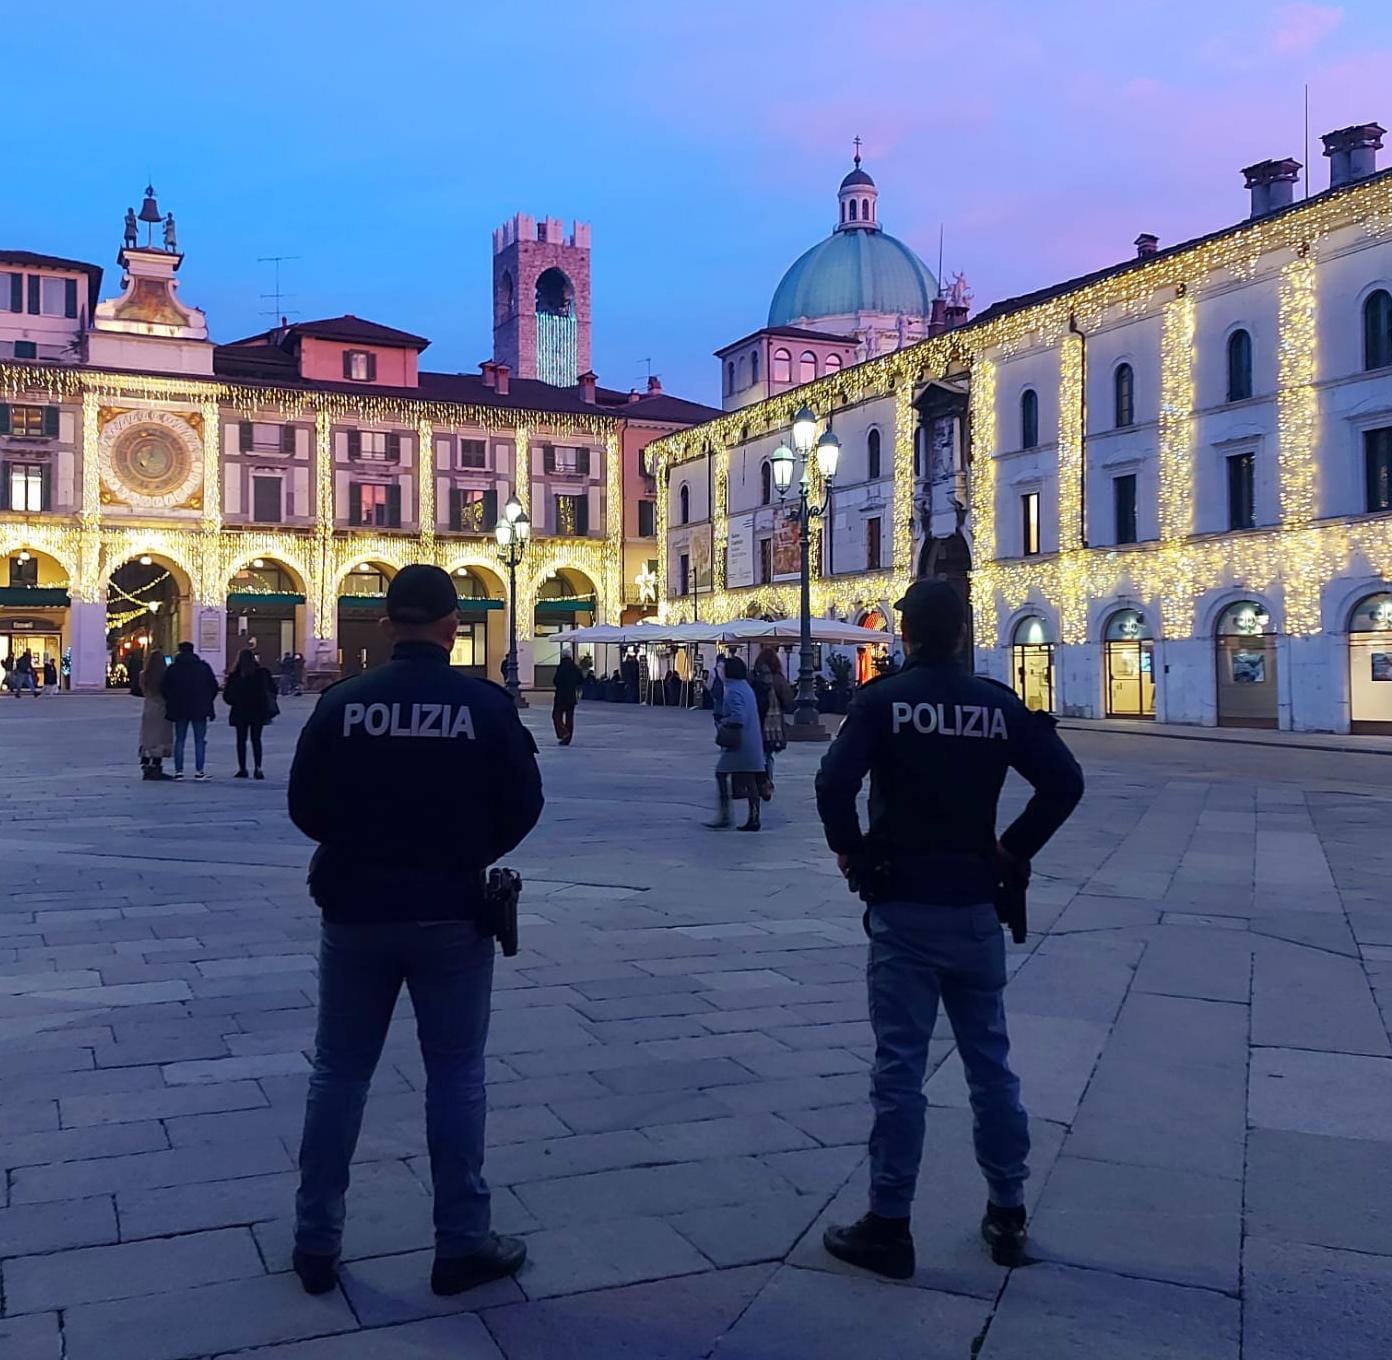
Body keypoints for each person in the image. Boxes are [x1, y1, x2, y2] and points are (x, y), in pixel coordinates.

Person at [287, 564, 544, 1300]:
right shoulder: (485, 706)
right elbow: (525, 804)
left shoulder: (344, 703)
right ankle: (461, 1243)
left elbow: (305, 804)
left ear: (388, 622)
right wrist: (465, 850)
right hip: (451, 912)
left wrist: (358, 845)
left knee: (338, 1073)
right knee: (456, 1075)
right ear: (451, 624)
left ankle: (315, 1240)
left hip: (356, 909)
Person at [814, 579, 1084, 1279]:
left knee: (899, 1069)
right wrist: (1013, 847)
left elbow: (830, 782)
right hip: (973, 904)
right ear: (962, 632)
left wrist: (850, 847)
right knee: (990, 1064)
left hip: (903, 903)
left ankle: (890, 1223)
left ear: (907, 635)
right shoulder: (996, 705)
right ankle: (1008, 1209)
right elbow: (1065, 781)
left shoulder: (883, 702)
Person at [708, 656, 766, 832]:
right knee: (749, 779)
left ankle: (726, 815)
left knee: (721, 773)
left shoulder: (732, 690)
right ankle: (754, 817)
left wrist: (724, 721)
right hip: (752, 740)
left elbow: (739, 716)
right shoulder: (745, 687)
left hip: (739, 743)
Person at [163, 642, 220, 780]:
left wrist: (172, 700)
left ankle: (179, 771)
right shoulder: (203, 667)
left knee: (180, 740)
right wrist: (207, 701)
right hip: (199, 708)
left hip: (179, 708)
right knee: (200, 740)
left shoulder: (173, 668)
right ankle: (199, 771)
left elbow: (164, 688)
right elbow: (214, 686)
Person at [224, 648, 278, 779]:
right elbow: (273, 689)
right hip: (258, 711)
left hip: (240, 711)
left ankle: (242, 769)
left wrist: (236, 701)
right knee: (256, 739)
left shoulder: (235, 675)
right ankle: (258, 768)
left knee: (241, 741)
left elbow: (227, 696)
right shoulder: (262, 673)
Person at [753, 648, 795, 798]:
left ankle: (757, 781)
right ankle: (767, 781)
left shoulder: (754, 678)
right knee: (768, 755)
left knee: (758, 753)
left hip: (756, 720)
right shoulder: (779, 680)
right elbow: (788, 701)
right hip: (773, 724)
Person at [137, 653, 175, 781]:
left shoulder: (144, 675)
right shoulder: (165, 675)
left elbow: (141, 690)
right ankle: (157, 767)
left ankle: (146, 766)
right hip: (161, 707)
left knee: (147, 737)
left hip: (148, 707)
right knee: (160, 738)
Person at [552, 650, 582, 746]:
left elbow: (556, 680)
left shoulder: (561, 667)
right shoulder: (575, 667)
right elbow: (580, 680)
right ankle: (567, 738)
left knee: (556, 715)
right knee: (569, 718)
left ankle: (563, 732)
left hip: (561, 696)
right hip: (571, 696)